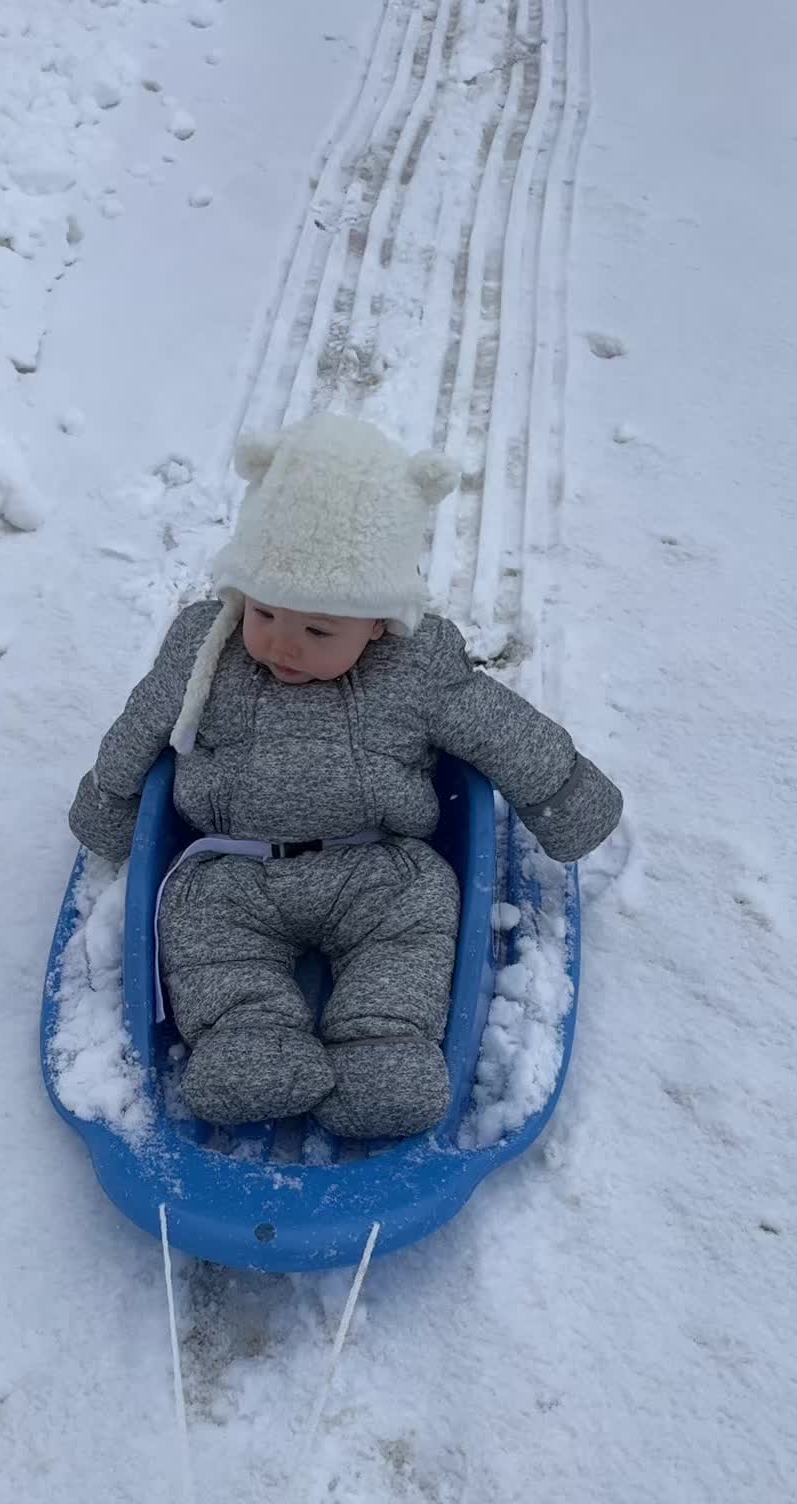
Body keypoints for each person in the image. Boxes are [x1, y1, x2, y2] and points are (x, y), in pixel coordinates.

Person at [70, 413, 622, 1138]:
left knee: (420, 918)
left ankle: (381, 1046)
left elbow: (496, 724)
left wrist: (567, 797)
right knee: (200, 930)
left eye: (319, 630)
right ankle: (250, 1039)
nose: (282, 645)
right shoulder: (206, 647)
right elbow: (145, 719)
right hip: (231, 870)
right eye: (265, 612)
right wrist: (109, 803)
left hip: (375, 867)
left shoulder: (416, 666)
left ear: (379, 621)